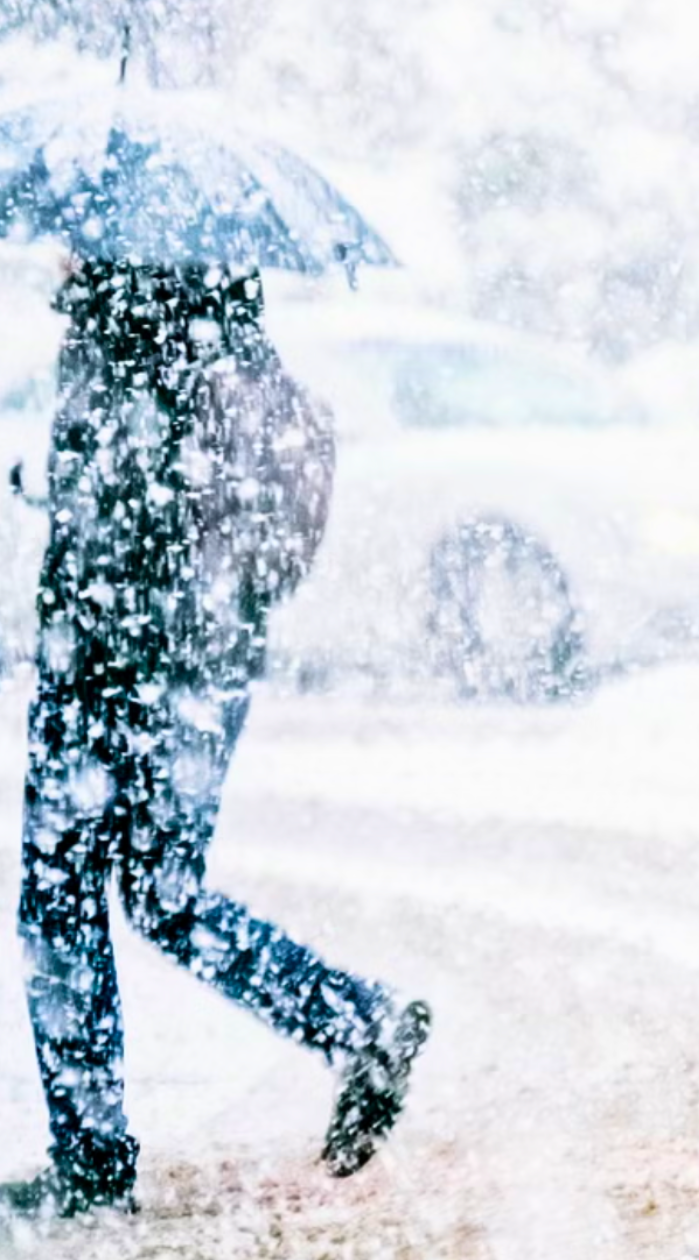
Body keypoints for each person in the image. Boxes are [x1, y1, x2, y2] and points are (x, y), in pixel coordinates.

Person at [5, 260, 431, 1221]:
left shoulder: (126, 334)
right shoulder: (230, 337)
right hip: (208, 660)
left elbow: (129, 505)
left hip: (115, 656)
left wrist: (72, 489)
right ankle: (355, 1020)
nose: (60, 257)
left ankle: (93, 1166)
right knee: (163, 893)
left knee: (59, 899)